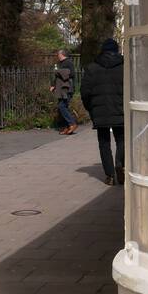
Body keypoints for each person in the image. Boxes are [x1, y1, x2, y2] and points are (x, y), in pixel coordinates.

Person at [80, 37, 125, 185]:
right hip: (120, 109)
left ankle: (110, 175)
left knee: (104, 142)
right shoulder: (125, 66)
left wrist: (91, 108)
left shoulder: (92, 68)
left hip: (100, 111)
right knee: (121, 139)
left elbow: (85, 92)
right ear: (116, 50)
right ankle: (121, 164)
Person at [51, 50, 78, 136]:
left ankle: (72, 123)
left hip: (67, 89)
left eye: (58, 54)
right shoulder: (61, 63)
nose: (57, 56)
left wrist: (58, 72)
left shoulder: (68, 62)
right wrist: (53, 85)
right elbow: (56, 76)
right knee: (63, 107)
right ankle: (68, 127)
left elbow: (71, 74)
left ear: (62, 54)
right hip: (61, 89)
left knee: (62, 106)